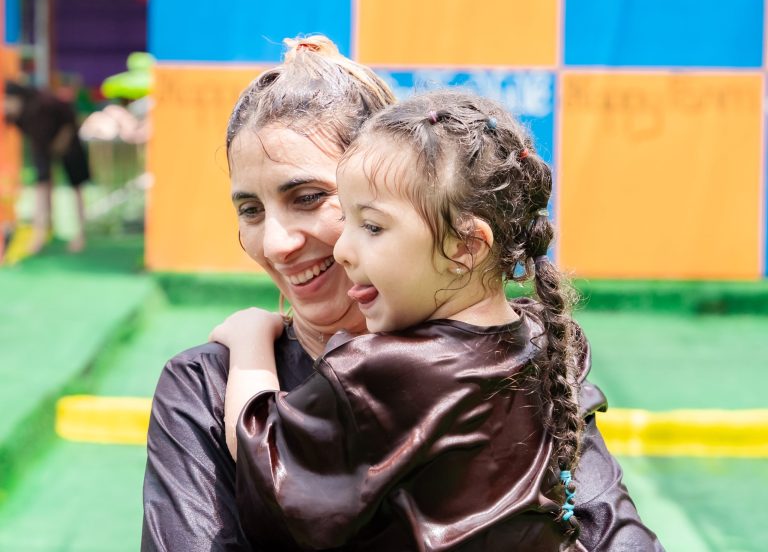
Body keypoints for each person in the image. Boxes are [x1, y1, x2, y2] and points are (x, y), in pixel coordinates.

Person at [141, 36, 663, 551]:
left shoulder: (532, 368)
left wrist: (250, 344)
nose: (276, 243)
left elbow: (618, 536)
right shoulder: (204, 386)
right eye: (250, 210)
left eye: (310, 197)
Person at [3, 81, 90, 253]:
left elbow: (70, 118)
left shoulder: (42, 105)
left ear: (18, 99)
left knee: (76, 186)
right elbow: (36, 142)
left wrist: (62, 140)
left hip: (69, 143)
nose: (5, 105)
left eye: (8, 101)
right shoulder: (19, 117)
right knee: (42, 186)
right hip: (44, 146)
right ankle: (40, 235)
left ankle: (80, 235)